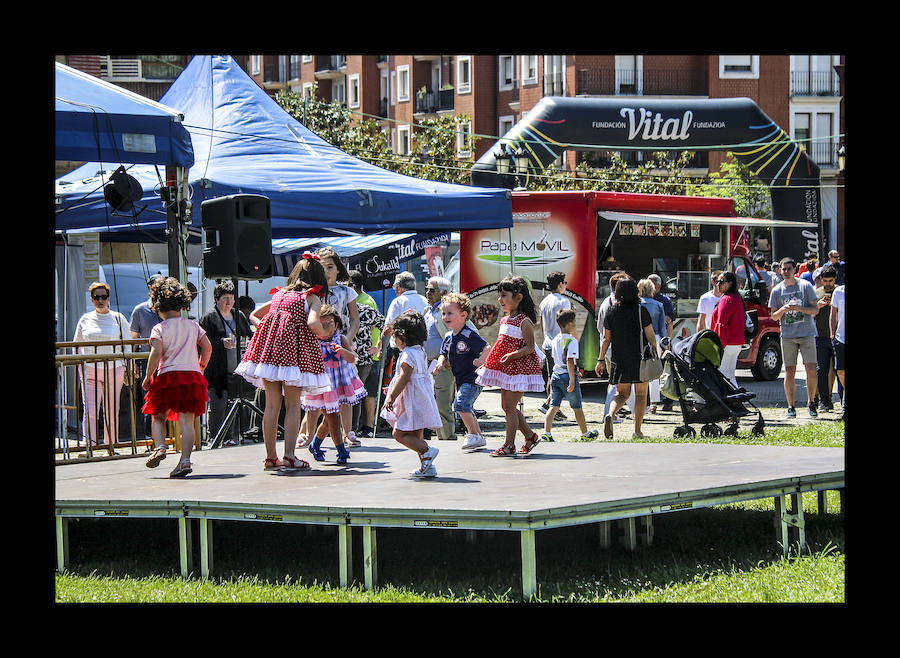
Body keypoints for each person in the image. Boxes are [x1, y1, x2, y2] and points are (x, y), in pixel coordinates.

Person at [235, 253, 333, 472]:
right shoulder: (312, 297)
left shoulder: (280, 295)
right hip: (294, 358)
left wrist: (271, 328)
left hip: (271, 356)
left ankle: (271, 457)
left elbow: (254, 315)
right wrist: (325, 331)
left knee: (271, 406)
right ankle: (289, 456)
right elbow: (314, 324)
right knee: (293, 405)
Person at [142, 277, 212, 477]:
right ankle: (186, 460)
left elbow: (156, 353)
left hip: (168, 376)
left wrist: (149, 376)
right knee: (187, 421)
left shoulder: (160, 329)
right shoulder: (193, 326)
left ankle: (161, 447)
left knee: (158, 416)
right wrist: (201, 365)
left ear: (158, 306)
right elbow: (207, 347)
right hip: (192, 376)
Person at [476, 275, 545, 456]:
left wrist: (512, 355)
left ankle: (509, 445)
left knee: (509, 407)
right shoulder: (505, 319)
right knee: (508, 407)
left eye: (504, 295)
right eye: (499, 296)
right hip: (507, 368)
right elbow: (501, 344)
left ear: (519, 297)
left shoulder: (524, 321)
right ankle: (530, 436)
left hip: (519, 370)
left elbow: (530, 347)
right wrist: (487, 361)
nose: (500, 300)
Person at [302, 304, 367, 464]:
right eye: (320, 324)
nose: (324, 328)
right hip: (323, 387)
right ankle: (341, 450)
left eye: (328, 323)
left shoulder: (341, 339)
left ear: (337, 323)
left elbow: (352, 358)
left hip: (339, 384)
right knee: (333, 419)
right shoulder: (313, 342)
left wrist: (343, 351)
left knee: (330, 419)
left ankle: (315, 445)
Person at [380, 310, 442, 478]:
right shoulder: (420, 350)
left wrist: (391, 397)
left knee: (399, 433)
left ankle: (427, 451)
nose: (394, 340)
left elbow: (405, 377)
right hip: (420, 397)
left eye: (395, 336)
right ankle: (427, 467)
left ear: (403, 336)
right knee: (416, 433)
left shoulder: (407, 354)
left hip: (411, 399)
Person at [597, 278, 658, 440]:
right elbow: (650, 335)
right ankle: (637, 431)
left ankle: (610, 414)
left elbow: (606, 339)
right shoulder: (641, 311)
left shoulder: (611, 311)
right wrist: (656, 351)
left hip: (619, 358)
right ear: (635, 292)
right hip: (640, 359)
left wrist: (600, 359)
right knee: (640, 394)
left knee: (621, 393)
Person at [73, 281, 132, 448]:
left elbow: (127, 344)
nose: (100, 300)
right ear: (91, 299)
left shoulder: (118, 318)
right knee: (90, 409)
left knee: (112, 409)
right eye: (96, 297)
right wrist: (80, 366)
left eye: (103, 296)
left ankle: (111, 445)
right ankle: (88, 445)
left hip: (114, 369)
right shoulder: (85, 319)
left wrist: (128, 364)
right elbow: (76, 344)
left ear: (109, 298)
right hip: (90, 369)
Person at [199, 281, 252, 447]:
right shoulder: (209, 317)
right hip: (216, 369)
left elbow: (248, 336)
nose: (229, 302)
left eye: (231, 298)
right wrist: (221, 342)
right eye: (225, 298)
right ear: (216, 299)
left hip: (236, 368)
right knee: (218, 405)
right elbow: (201, 342)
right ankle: (214, 437)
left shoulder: (239, 316)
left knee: (232, 404)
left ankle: (229, 436)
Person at [436, 292, 489, 451]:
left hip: (472, 378)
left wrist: (482, 362)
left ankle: (472, 435)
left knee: (460, 405)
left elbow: (486, 347)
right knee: (465, 406)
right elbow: (443, 353)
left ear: (463, 315)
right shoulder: (448, 336)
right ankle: (478, 437)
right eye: (443, 313)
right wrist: (440, 363)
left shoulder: (468, 334)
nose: (445, 316)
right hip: (459, 378)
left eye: (450, 313)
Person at [769, 256, 820, 418]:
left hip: (807, 334)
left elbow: (815, 310)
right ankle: (791, 406)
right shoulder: (777, 290)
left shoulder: (805, 286)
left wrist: (799, 307)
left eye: (788, 269)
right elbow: (774, 316)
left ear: (794, 270)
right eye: (783, 269)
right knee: (789, 371)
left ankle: (811, 402)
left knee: (811, 369)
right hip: (788, 336)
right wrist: (783, 309)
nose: (785, 272)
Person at [542, 309, 597, 442]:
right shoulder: (571, 341)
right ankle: (585, 433)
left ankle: (547, 433)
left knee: (553, 406)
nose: (575, 325)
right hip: (567, 375)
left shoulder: (555, 339)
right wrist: (573, 380)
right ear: (568, 324)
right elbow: (570, 360)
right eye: (573, 322)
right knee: (577, 407)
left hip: (556, 375)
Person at [347, 270, 384, 439]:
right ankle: (348, 430)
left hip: (363, 357)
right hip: (344, 358)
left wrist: (378, 346)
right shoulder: (339, 308)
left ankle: (354, 430)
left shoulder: (366, 306)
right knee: (349, 394)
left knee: (359, 393)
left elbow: (384, 325)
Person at [595, 271, 636, 422]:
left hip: (608, 348)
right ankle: (612, 413)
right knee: (621, 381)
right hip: (619, 347)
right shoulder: (619, 303)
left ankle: (617, 413)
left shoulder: (606, 302)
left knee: (616, 381)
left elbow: (600, 327)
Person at [130, 273, 164, 439]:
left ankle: (165, 439)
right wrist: (134, 362)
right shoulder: (139, 310)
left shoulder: (167, 309)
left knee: (166, 401)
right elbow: (134, 339)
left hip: (166, 360)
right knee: (148, 400)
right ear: (149, 287)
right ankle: (149, 439)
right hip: (147, 359)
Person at [423, 276, 455, 441]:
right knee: (430, 403)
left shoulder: (449, 311)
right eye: (427, 289)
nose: (427, 293)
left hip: (443, 363)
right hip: (427, 364)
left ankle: (447, 438)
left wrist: (450, 356)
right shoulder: (427, 310)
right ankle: (442, 437)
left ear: (443, 292)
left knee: (442, 404)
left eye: (431, 290)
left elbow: (459, 334)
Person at [538, 271, 572, 416]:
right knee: (563, 376)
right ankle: (549, 404)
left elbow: (541, 324)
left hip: (547, 342)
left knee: (552, 376)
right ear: (560, 284)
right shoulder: (564, 301)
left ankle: (553, 406)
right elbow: (567, 324)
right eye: (565, 283)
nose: (566, 285)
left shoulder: (544, 302)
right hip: (560, 343)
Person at [708, 271, 745, 388]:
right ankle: (737, 399)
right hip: (736, 343)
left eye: (721, 281)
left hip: (726, 343)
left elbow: (721, 324)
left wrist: (719, 345)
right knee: (730, 375)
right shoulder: (737, 298)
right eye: (716, 281)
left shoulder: (726, 299)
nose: (718, 284)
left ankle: (727, 402)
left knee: (722, 375)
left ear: (730, 283)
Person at [812, 266, 842, 412]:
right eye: (825, 281)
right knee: (821, 370)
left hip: (838, 337)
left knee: (839, 370)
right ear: (821, 280)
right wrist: (818, 306)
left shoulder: (840, 292)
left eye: (831, 281)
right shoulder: (817, 293)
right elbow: (809, 314)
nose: (828, 284)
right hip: (820, 336)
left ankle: (843, 401)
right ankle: (825, 402)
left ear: (835, 279)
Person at [638, 278, 668, 412]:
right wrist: (665, 343)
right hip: (655, 338)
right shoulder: (658, 305)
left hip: (638, 338)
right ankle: (654, 402)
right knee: (654, 371)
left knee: (639, 371)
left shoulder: (637, 304)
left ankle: (640, 403)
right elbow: (662, 327)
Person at [829, 283, 845, 419]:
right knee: (839, 371)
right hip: (840, 338)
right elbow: (833, 314)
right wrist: (832, 335)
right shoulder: (838, 292)